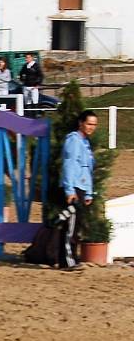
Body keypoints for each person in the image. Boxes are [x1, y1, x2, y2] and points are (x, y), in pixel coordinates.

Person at [59, 110, 98, 268]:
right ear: (81, 123)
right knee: (70, 226)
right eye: (89, 124)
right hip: (74, 187)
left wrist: (88, 192)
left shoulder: (85, 143)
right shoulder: (74, 140)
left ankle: (73, 258)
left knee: (76, 227)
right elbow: (69, 165)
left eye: (94, 125)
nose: (91, 127)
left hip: (82, 188)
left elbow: (86, 170)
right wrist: (70, 190)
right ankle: (67, 261)